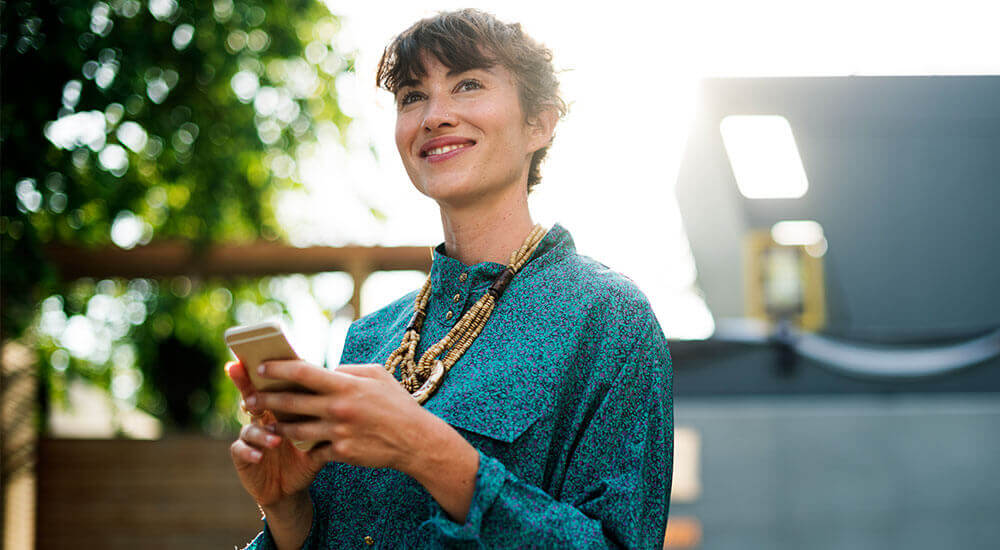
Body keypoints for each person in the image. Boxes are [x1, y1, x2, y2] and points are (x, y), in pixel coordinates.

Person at [227, 9, 673, 549]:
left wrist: (426, 449)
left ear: (540, 123)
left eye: (467, 85)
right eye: (413, 96)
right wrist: (286, 509)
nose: (435, 115)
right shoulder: (369, 340)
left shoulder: (608, 317)